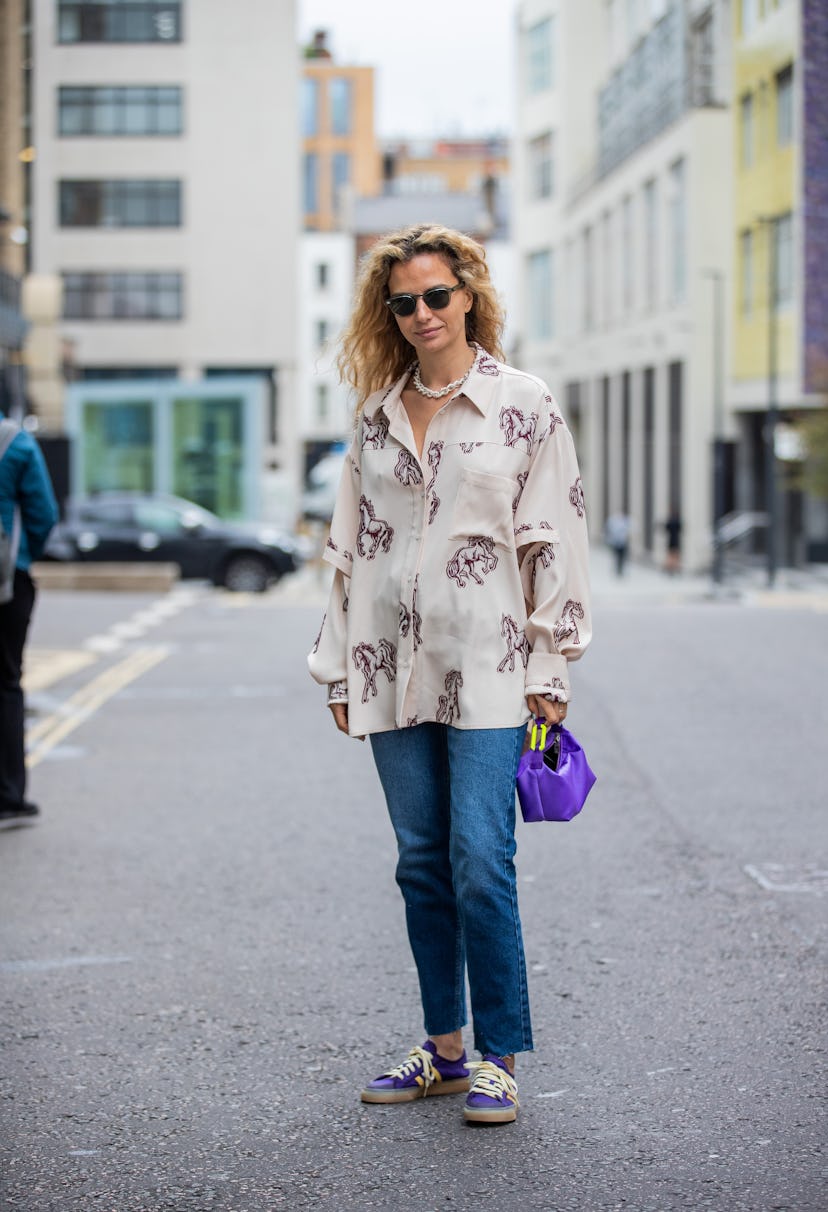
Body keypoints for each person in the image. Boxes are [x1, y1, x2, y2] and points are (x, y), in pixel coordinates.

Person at [307, 224, 591, 1125]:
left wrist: (554, 660)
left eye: (437, 295)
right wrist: (340, 671)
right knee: (421, 864)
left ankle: (499, 1056)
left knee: (480, 859)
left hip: (495, 663)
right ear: (386, 313)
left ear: (468, 293)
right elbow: (351, 555)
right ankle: (444, 1051)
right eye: (404, 302)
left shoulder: (523, 404)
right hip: (390, 667)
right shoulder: (376, 414)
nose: (423, 313)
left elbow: (558, 539)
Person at [0, 410, 59, 822]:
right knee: (5, 683)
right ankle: (8, 798)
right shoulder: (12, 440)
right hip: (6, 584)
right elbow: (43, 515)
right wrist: (21, 560)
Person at [604, 511, 631, 577]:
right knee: (617, 557)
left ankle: (620, 569)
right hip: (616, 543)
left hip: (622, 543)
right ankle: (618, 569)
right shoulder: (613, 521)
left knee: (621, 557)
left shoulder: (625, 521)